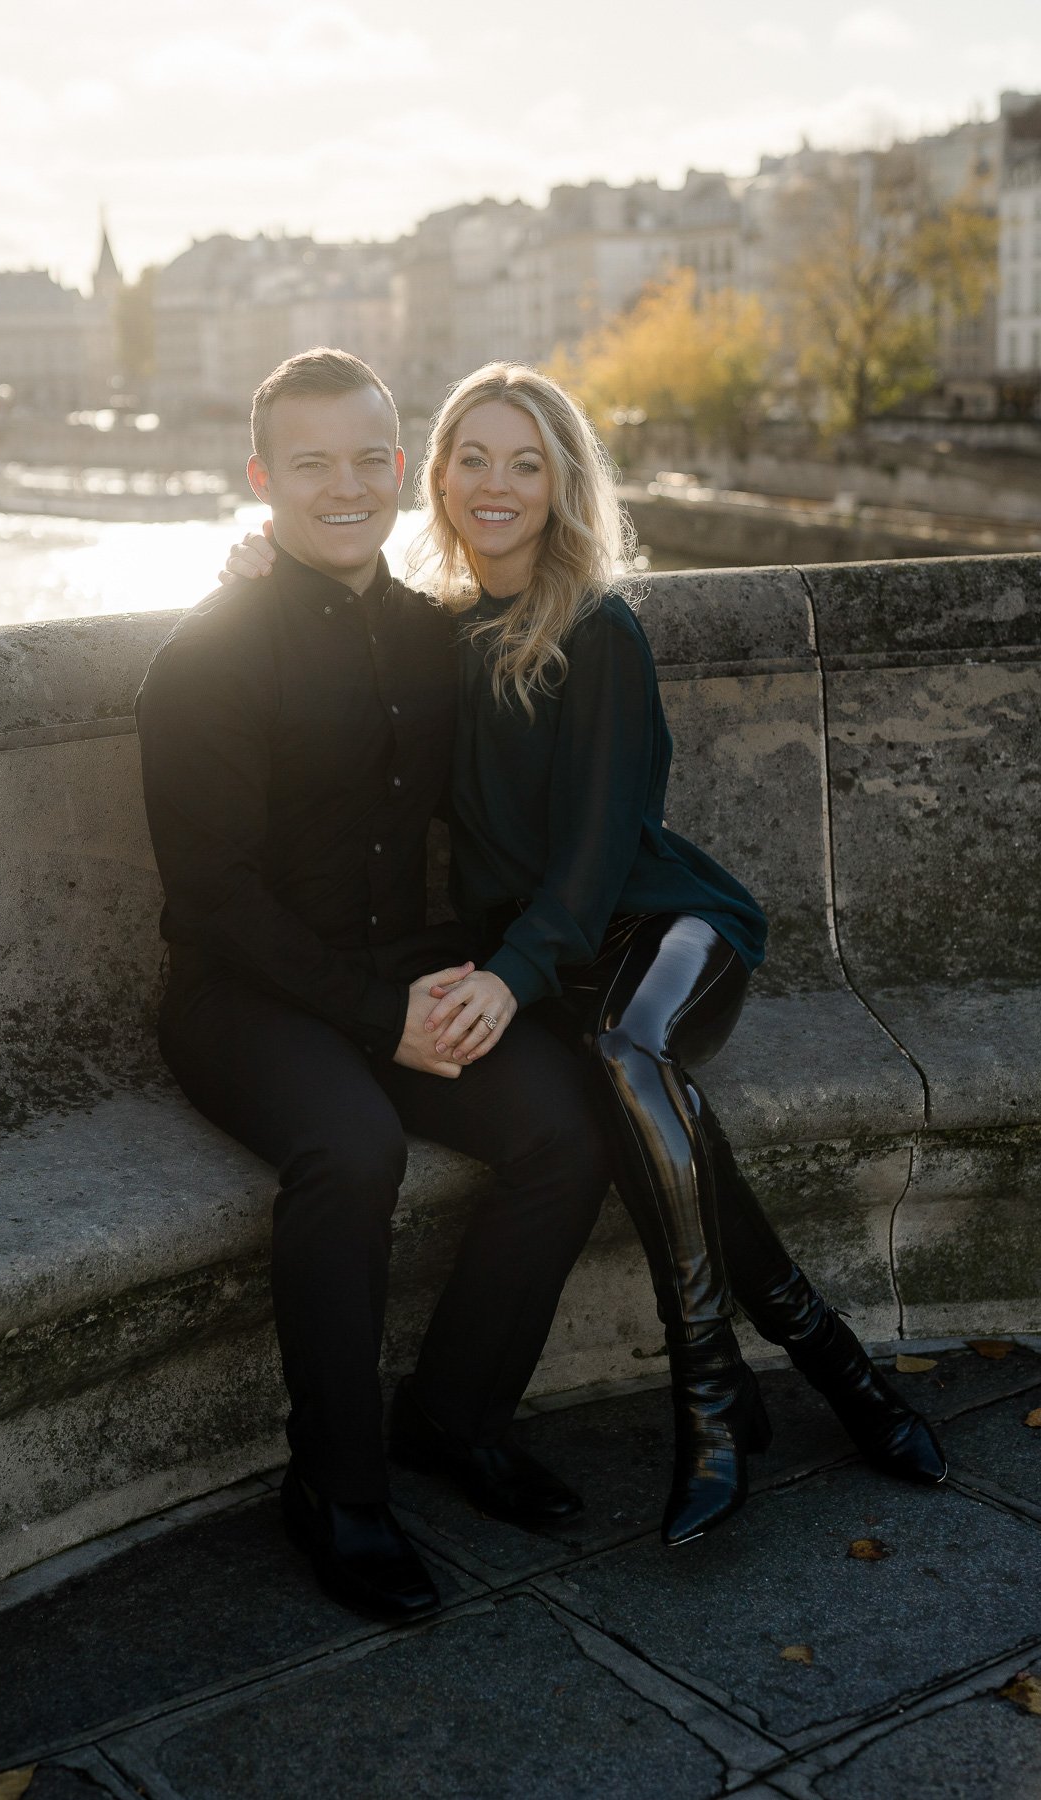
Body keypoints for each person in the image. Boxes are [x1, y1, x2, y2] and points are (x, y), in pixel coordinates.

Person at [224, 360, 947, 1549]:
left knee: (624, 1048)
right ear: (439, 478)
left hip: (664, 928)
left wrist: (510, 978)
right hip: (554, 958)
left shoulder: (598, 629)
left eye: (526, 463)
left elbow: (602, 850)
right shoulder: (439, 639)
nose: (497, 485)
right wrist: (253, 563)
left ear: (563, 484)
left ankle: (709, 1392)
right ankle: (836, 1364)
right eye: (474, 459)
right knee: (631, 1103)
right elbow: (321, 617)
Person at [134, 349, 611, 1625]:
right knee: (350, 1148)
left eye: (368, 458)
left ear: (401, 469)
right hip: (240, 997)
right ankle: (337, 1491)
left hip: (399, 968)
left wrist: (460, 988)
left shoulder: (432, 635)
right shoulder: (206, 654)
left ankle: (454, 1417)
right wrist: (380, 1017)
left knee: (568, 1125)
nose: (344, 486)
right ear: (262, 480)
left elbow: (554, 637)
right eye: (311, 464)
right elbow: (216, 900)